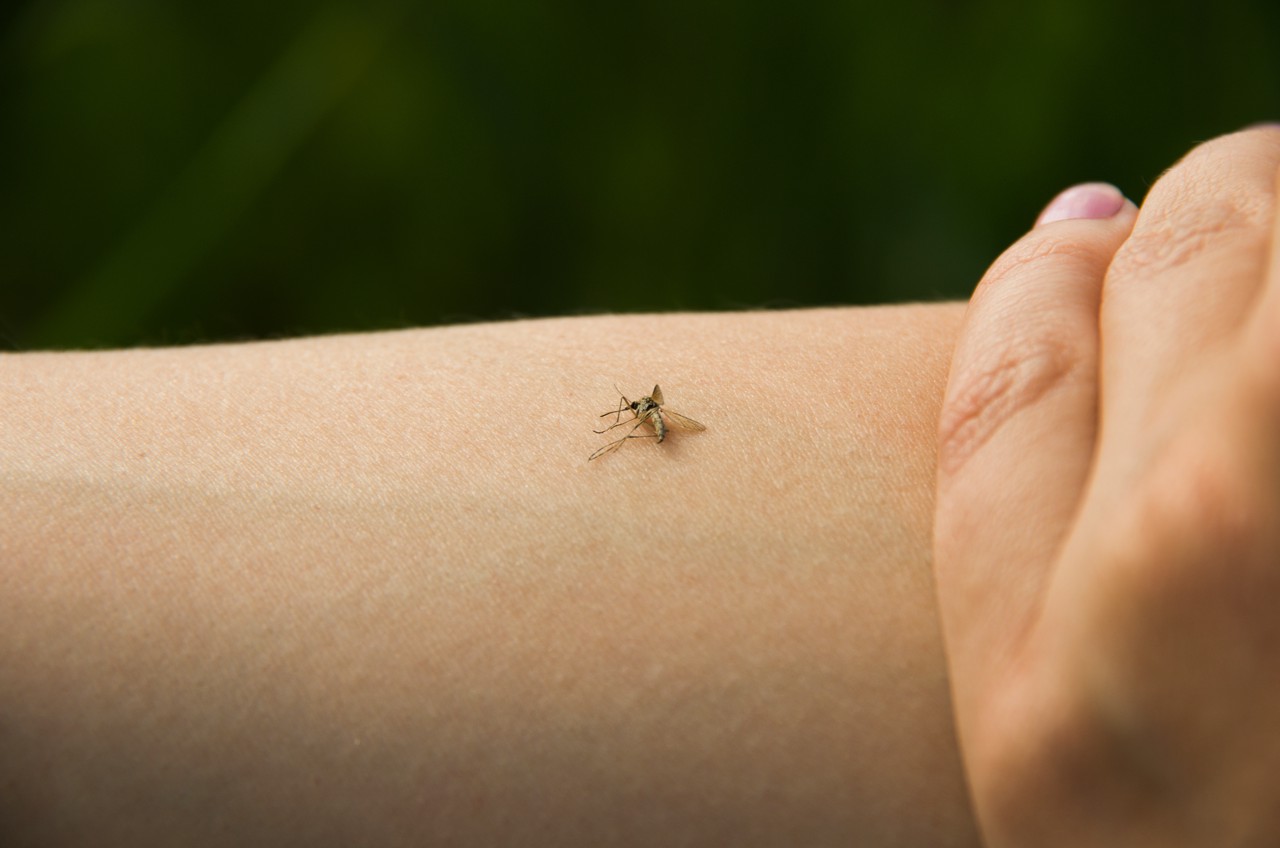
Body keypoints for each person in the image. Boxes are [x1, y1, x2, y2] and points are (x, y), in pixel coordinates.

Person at [0, 125, 1274, 846]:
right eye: (645, 409)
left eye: (648, 409)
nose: (648, 413)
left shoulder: (656, 419)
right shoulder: (645, 415)